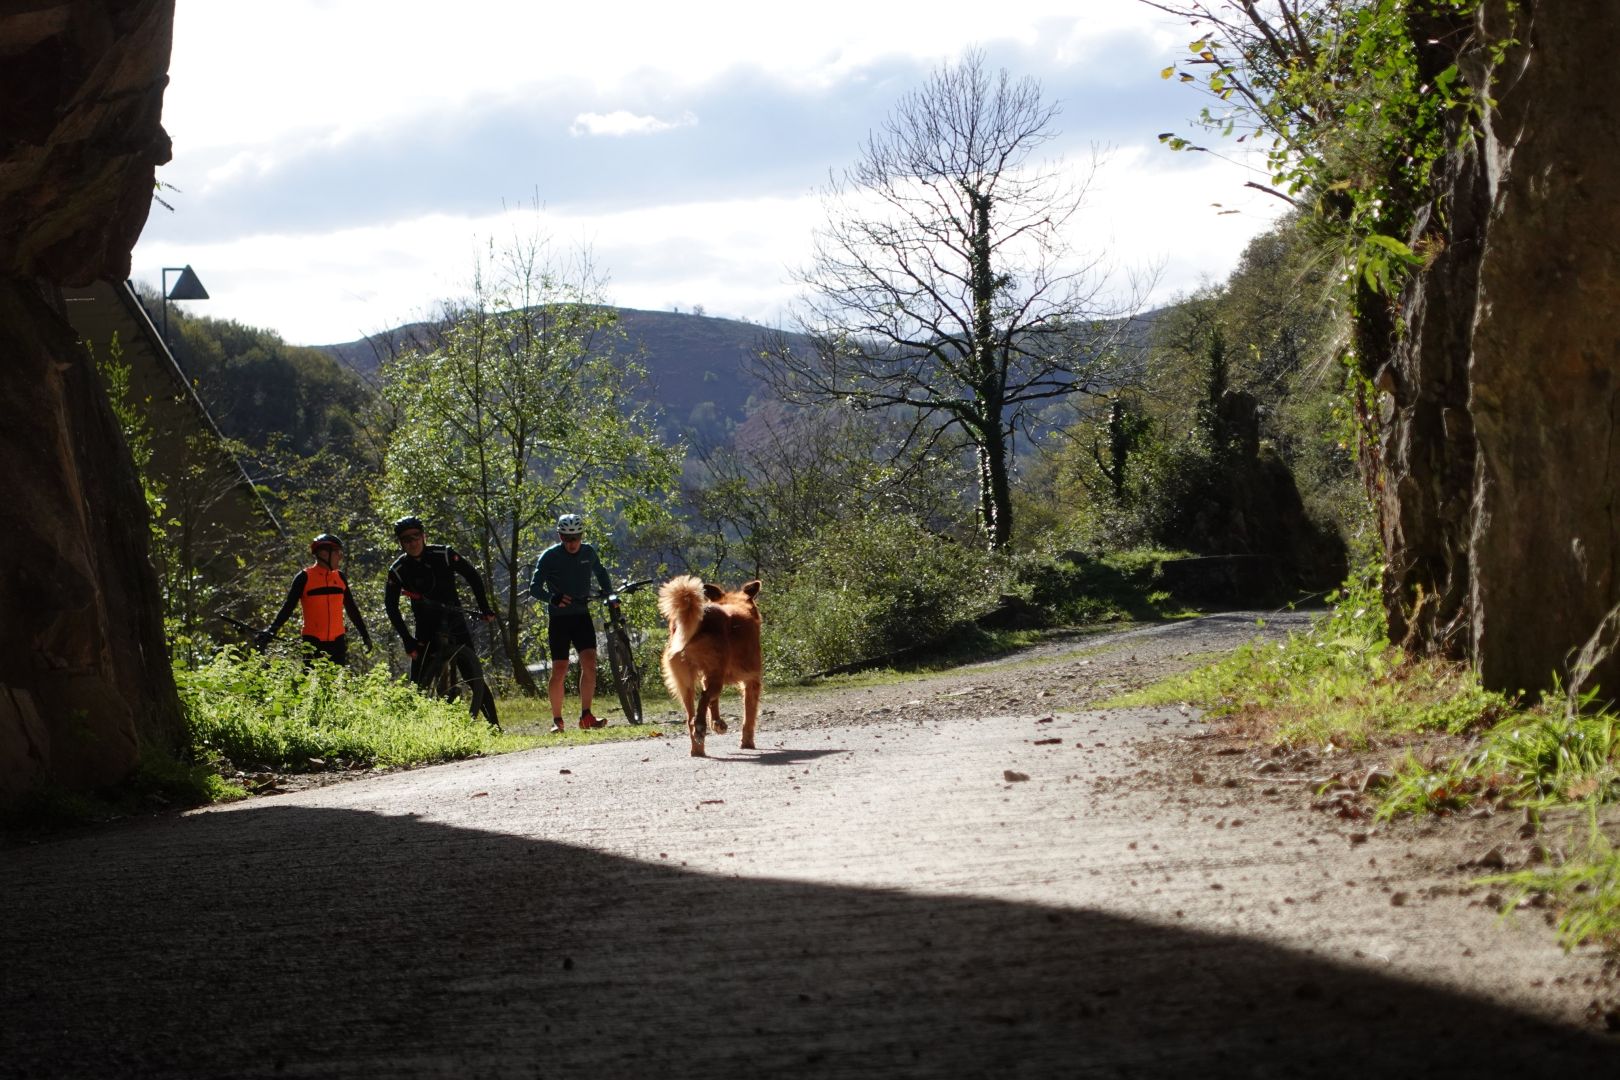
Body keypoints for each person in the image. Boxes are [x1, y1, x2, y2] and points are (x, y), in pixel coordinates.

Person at [383, 515, 501, 729]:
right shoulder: (398, 569)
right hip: (425, 626)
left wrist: (484, 607)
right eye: (406, 539)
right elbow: (391, 606)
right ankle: (420, 731)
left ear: (424, 536)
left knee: (472, 676)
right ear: (400, 543)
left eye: (415, 536)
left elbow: (472, 576)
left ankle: (495, 727)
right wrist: (407, 639)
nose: (412, 542)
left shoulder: (443, 554)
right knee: (418, 683)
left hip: (454, 618)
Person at [530, 512, 615, 734]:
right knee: (560, 669)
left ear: (581, 535)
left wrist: (610, 594)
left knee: (589, 663)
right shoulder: (549, 557)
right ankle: (557, 720)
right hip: (559, 620)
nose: (572, 543)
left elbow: (601, 573)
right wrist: (552, 598)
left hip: (581, 616)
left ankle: (586, 715)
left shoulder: (589, 552)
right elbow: (534, 588)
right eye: (567, 538)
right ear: (560, 536)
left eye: (575, 537)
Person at [257, 533, 373, 666]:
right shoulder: (304, 577)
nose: (340, 556)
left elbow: (351, 608)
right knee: (311, 684)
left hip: (338, 643)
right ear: (324, 554)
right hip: (312, 643)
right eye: (337, 552)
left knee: (337, 685)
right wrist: (271, 630)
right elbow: (288, 607)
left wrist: (365, 635)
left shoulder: (340, 577)